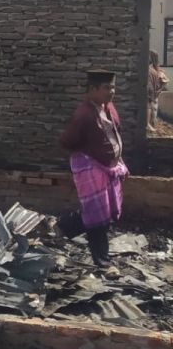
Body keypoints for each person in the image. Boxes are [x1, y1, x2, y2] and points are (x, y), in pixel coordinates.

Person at [56, 70, 129, 271]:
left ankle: (63, 227)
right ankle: (103, 262)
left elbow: (116, 135)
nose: (112, 92)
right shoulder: (84, 114)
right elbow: (67, 141)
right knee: (98, 217)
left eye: (113, 87)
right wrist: (89, 155)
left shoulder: (109, 108)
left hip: (110, 168)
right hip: (91, 167)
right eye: (107, 88)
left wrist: (119, 161)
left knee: (105, 212)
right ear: (93, 89)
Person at [148, 51, 167, 129]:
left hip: (151, 96)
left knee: (151, 113)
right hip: (154, 96)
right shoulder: (157, 71)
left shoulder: (150, 70)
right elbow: (164, 84)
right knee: (153, 114)